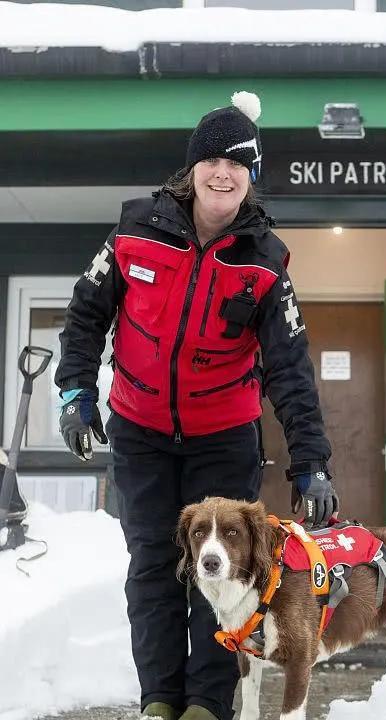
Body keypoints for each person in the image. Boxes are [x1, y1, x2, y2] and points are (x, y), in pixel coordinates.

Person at [54, 91, 338, 720]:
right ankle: (159, 697)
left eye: (238, 164)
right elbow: (85, 316)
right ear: (192, 169)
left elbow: (289, 368)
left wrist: (310, 463)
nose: (223, 172)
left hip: (223, 436)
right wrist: (75, 392)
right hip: (141, 430)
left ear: (250, 178)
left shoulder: (265, 262)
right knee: (154, 564)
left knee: (226, 572)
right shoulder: (135, 232)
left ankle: (208, 703)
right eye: (212, 159)